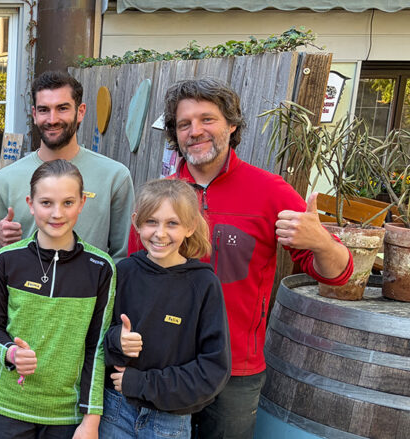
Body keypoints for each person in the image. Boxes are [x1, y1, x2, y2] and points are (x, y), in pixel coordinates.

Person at [139, 77, 353, 438]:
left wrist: (323, 243)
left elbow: (338, 274)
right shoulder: (158, 198)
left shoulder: (270, 191)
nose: (195, 131)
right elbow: (136, 277)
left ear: (232, 124)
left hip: (234, 370)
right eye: (184, 123)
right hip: (166, 365)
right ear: (174, 134)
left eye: (207, 119)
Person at [0, 160, 112, 439]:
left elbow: (96, 348)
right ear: (31, 203)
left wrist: (91, 419)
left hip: (66, 413)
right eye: (46, 202)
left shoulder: (101, 268)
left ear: (82, 203)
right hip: (8, 406)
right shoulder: (5, 260)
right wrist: (10, 353)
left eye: (67, 202)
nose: (57, 213)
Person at [102, 178, 231, 438]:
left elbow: (213, 369)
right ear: (137, 222)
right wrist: (116, 340)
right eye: (151, 221)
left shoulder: (204, 284)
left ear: (191, 226)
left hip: (170, 419)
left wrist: (142, 383)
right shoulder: (122, 273)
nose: (160, 233)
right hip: (116, 410)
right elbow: (94, 338)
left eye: (172, 223)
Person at [0, 71, 134, 265]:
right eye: (44, 110)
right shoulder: (6, 179)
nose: (52, 119)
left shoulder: (114, 177)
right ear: (34, 114)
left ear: (81, 111)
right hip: (22, 293)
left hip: (87, 294)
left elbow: (124, 256)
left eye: (62, 108)